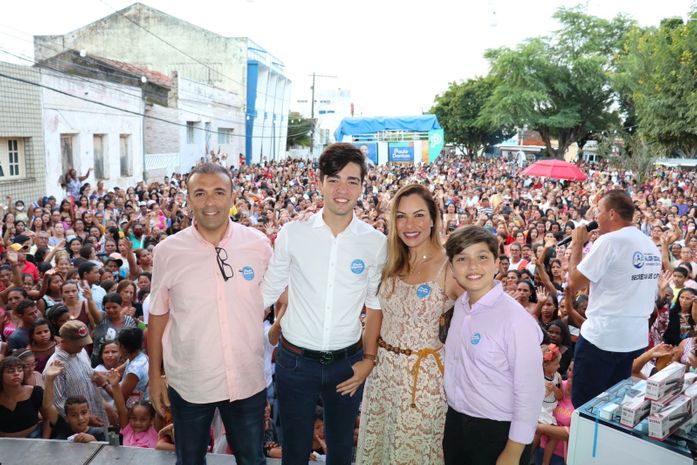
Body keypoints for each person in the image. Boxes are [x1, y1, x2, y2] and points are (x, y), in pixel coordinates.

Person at [262, 143, 387, 465]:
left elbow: (375, 305)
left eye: (351, 181)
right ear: (320, 183)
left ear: (362, 186)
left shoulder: (375, 243)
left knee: (341, 449)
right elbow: (267, 292)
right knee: (294, 450)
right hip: (295, 362)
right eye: (334, 179)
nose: (342, 190)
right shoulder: (293, 233)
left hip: (348, 363)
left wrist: (368, 360)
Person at [148, 162, 272, 465]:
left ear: (232, 197)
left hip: (246, 378)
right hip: (190, 381)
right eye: (200, 193)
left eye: (218, 192)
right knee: (189, 460)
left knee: (252, 460)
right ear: (188, 199)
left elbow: (281, 297)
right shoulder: (168, 251)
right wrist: (154, 375)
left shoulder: (258, 244)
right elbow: (158, 314)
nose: (210, 202)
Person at [356, 184, 462, 464]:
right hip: (381, 376)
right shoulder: (390, 259)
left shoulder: (450, 267)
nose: (409, 225)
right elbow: (375, 314)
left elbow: (481, 313)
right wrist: (368, 358)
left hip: (423, 382)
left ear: (433, 219)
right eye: (401, 216)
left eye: (419, 215)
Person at [442, 225, 544, 465]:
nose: (473, 266)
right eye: (462, 259)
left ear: (497, 263)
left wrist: (513, 450)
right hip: (457, 424)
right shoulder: (461, 307)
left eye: (482, 257)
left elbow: (530, 391)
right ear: (452, 268)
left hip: (497, 432)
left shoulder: (515, 320)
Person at [568, 189, 661, 408]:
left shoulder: (610, 241)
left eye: (598, 212)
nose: (596, 218)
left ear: (612, 214)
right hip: (633, 339)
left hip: (602, 338)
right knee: (613, 406)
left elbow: (574, 283)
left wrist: (577, 244)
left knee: (585, 406)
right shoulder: (650, 244)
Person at [42, 320, 108, 435]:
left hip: (97, 415)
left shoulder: (81, 352)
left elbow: (90, 381)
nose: (82, 345)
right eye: (78, 343)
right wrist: (85, 417)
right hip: (75, 429)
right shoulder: (55, 366)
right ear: (64, 341)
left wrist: (105, 405)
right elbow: (58, 403)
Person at [42, 360, 105, 442]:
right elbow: (47, 406)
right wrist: (49, 379)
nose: (80, 418)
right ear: (67, 418)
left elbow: (103, 449)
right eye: (74, 415)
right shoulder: (62, 427)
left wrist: (93, 441)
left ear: (89, 413)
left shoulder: (98, 433)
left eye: (84, 413)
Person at [0, 355, 45, 438]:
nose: (16, 373)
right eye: (10, 371)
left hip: (33, 439)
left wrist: (45, 440)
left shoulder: (36, 392)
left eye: (20, 370)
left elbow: (48, 418)